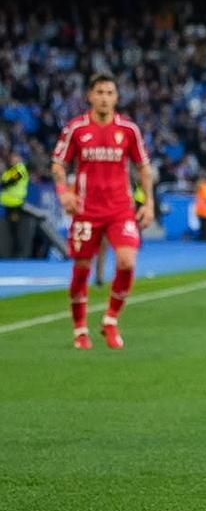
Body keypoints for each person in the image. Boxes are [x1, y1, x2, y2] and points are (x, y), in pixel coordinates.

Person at [52, 72, 155, 350]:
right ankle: (80, 329)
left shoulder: (129, 130)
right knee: (82, 267)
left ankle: (111, 320)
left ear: (117, 98)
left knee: (127, 261)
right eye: (99, 92)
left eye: (110, 93)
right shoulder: (76, 128)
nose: (104, 98)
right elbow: (58, 164)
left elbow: (143, 168)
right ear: (90, 96)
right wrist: (64, 194)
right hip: (86, 209)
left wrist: (149, 203)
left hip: (120, 208)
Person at [1, 151, 34, 258]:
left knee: (17, 229)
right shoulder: (10, 170)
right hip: (8, 204)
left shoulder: (20, 170)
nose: (13, 159)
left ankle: (18, 253)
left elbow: (9, 182)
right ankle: (11, 252)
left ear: (19, 158)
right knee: (9, 230)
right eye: (11, 157)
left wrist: (4, 183)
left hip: (17, 204)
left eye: (15, 157)